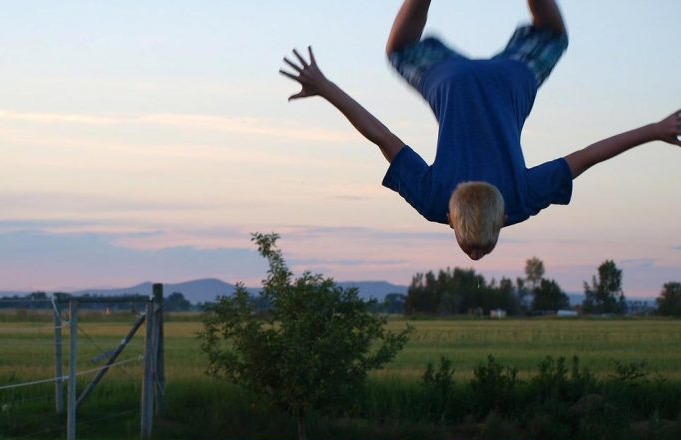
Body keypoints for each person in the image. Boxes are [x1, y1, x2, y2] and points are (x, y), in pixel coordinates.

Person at [280, 0, 680, 260]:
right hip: (451, 82)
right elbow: (382, 137)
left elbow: (587, 156)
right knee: (398, 49)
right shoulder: (433, 199)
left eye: (470, 247)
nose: (473, 256)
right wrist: (326, 88)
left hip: (512, 80)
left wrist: (655, 129)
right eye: (480, 248)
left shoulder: (521, 199)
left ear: (502, 217)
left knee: (553, 34)